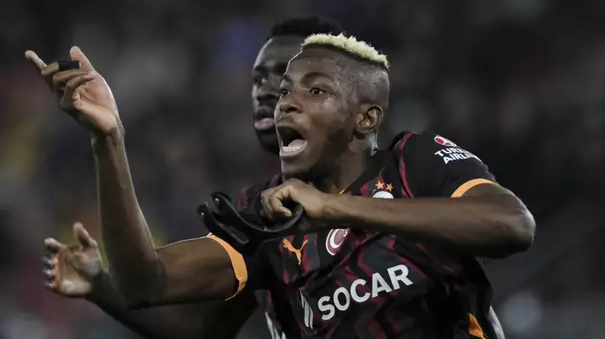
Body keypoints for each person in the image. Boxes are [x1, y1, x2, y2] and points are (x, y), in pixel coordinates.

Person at [29, 32, 534, 338]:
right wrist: (109, 142)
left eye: (316, 91)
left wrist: (337, 210)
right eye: (286, 92)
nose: (286, 102)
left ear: (366, 119)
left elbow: (512, 225)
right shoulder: (265, 215)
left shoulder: (414, 162)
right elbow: (148, 283)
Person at [37, 16, 343, 339]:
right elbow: (192, 325)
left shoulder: (396, 181)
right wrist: (108, 139)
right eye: (258, 79)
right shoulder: (263, 221)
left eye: (284, 74)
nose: (265, 91)